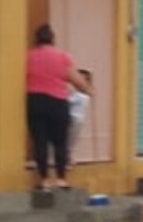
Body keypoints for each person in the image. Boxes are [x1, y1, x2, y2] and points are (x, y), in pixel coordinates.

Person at [26, 25, 91, 191]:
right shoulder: (62, 57)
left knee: (40, 141)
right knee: (59, 142)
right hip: (57, 102)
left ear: (36, 39)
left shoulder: (29, 56)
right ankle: (61, 179)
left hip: (35, 101)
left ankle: (44, 180)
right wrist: (88, 89)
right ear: (52, 39)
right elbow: (76, 80)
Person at [67, 69, 93, 170]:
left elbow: (69, 101)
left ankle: (67, 159)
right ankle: (68, 158)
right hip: (71, 119)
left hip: (76, 119)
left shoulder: (83, 96)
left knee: (71, 140)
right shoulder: (75, 93)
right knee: (69, 140)